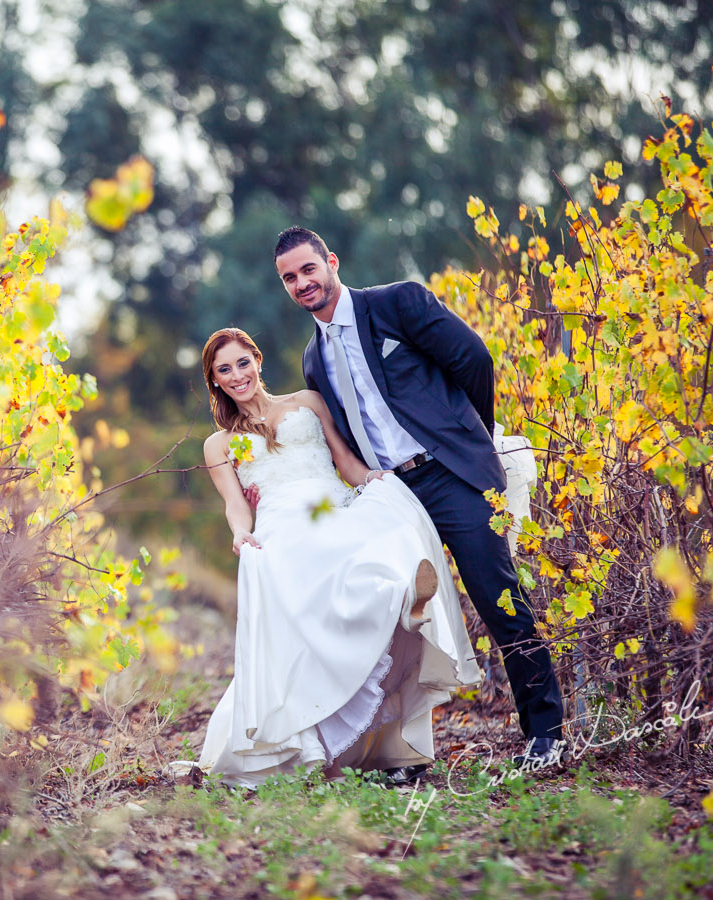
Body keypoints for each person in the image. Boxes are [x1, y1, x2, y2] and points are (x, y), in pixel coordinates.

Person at [272, 226, 565, 765]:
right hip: (393, 496)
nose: (302, 283)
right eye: (289, 278)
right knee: (390, 619)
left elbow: (473, 359)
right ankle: (399, 752)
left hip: (449, 476)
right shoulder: (314, 361)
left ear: (331, 261)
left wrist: (468, 436)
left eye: (308, 269)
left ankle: (546, 733)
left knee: (497, 597)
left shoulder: (397, 303)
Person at [194, 328, 481, 788]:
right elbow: (234, 502)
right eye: (223, 370)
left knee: (375, 533)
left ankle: (400, 599)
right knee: (315, 576)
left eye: (241, 363)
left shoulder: (307, 402)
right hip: (281, 521)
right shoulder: (218, 444)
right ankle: (394, 603)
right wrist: (240, 534)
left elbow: (344, 461)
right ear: (215, 381)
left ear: (257, 359)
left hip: (332, 503)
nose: (236, 375)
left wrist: (375, 478)